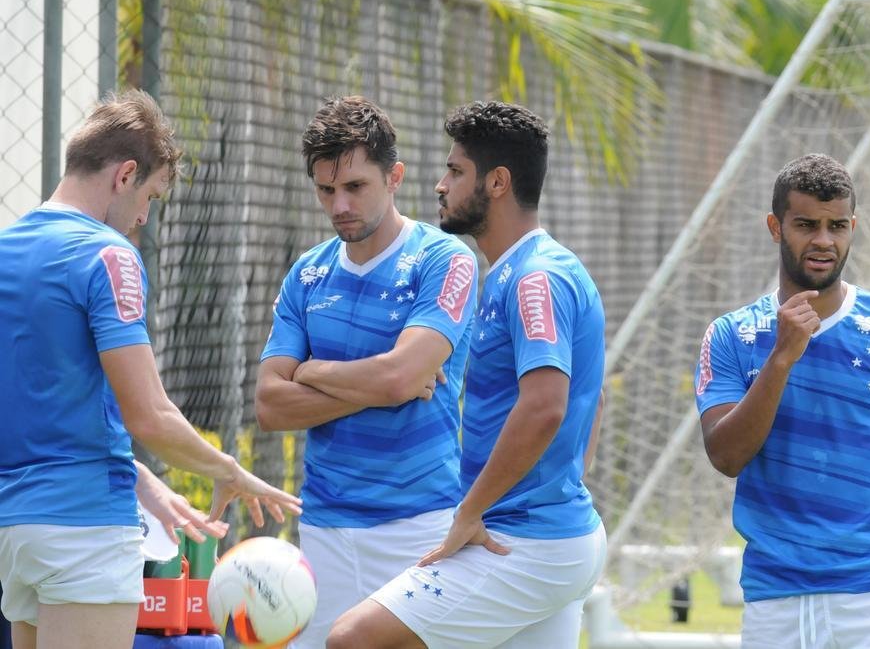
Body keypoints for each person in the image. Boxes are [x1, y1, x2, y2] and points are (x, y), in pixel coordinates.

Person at [0, 90, 302, 649]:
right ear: (125, 175)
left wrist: (144, 484)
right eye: (150, 196)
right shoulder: (109, 255)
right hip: (85, 528)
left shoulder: (7, 249)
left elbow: (43, 414)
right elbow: (150, 416)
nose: (143, 216)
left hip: (17, 530)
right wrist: (227, 470)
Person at [326, 101, 607, 649]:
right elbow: (591, 400)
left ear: (497, 182)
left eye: (455, 171)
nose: (440, 185)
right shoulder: (528, 270)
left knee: (350, 639)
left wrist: (472, 511)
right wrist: (559, 483)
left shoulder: (534, 279)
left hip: (524, 542)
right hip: (551, 537)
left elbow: (545, 406)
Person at [695, 153, 870, 648]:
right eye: (806, 225)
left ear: (852, 228)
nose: (823, 240)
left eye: (836, 226)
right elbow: (726, 456)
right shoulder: (731, 335)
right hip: (776, 600)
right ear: (775, 227)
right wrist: (780, 359)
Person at [254, 96, 478, 648]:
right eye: (326, 190)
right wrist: (384, 385)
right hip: (323, 529)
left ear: (394, 177)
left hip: (418, 527)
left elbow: (401, 377)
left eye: (355, 186)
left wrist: (311, 370)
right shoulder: (307, 274)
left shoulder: (444, 260)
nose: (339, 205)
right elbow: (270, 405)